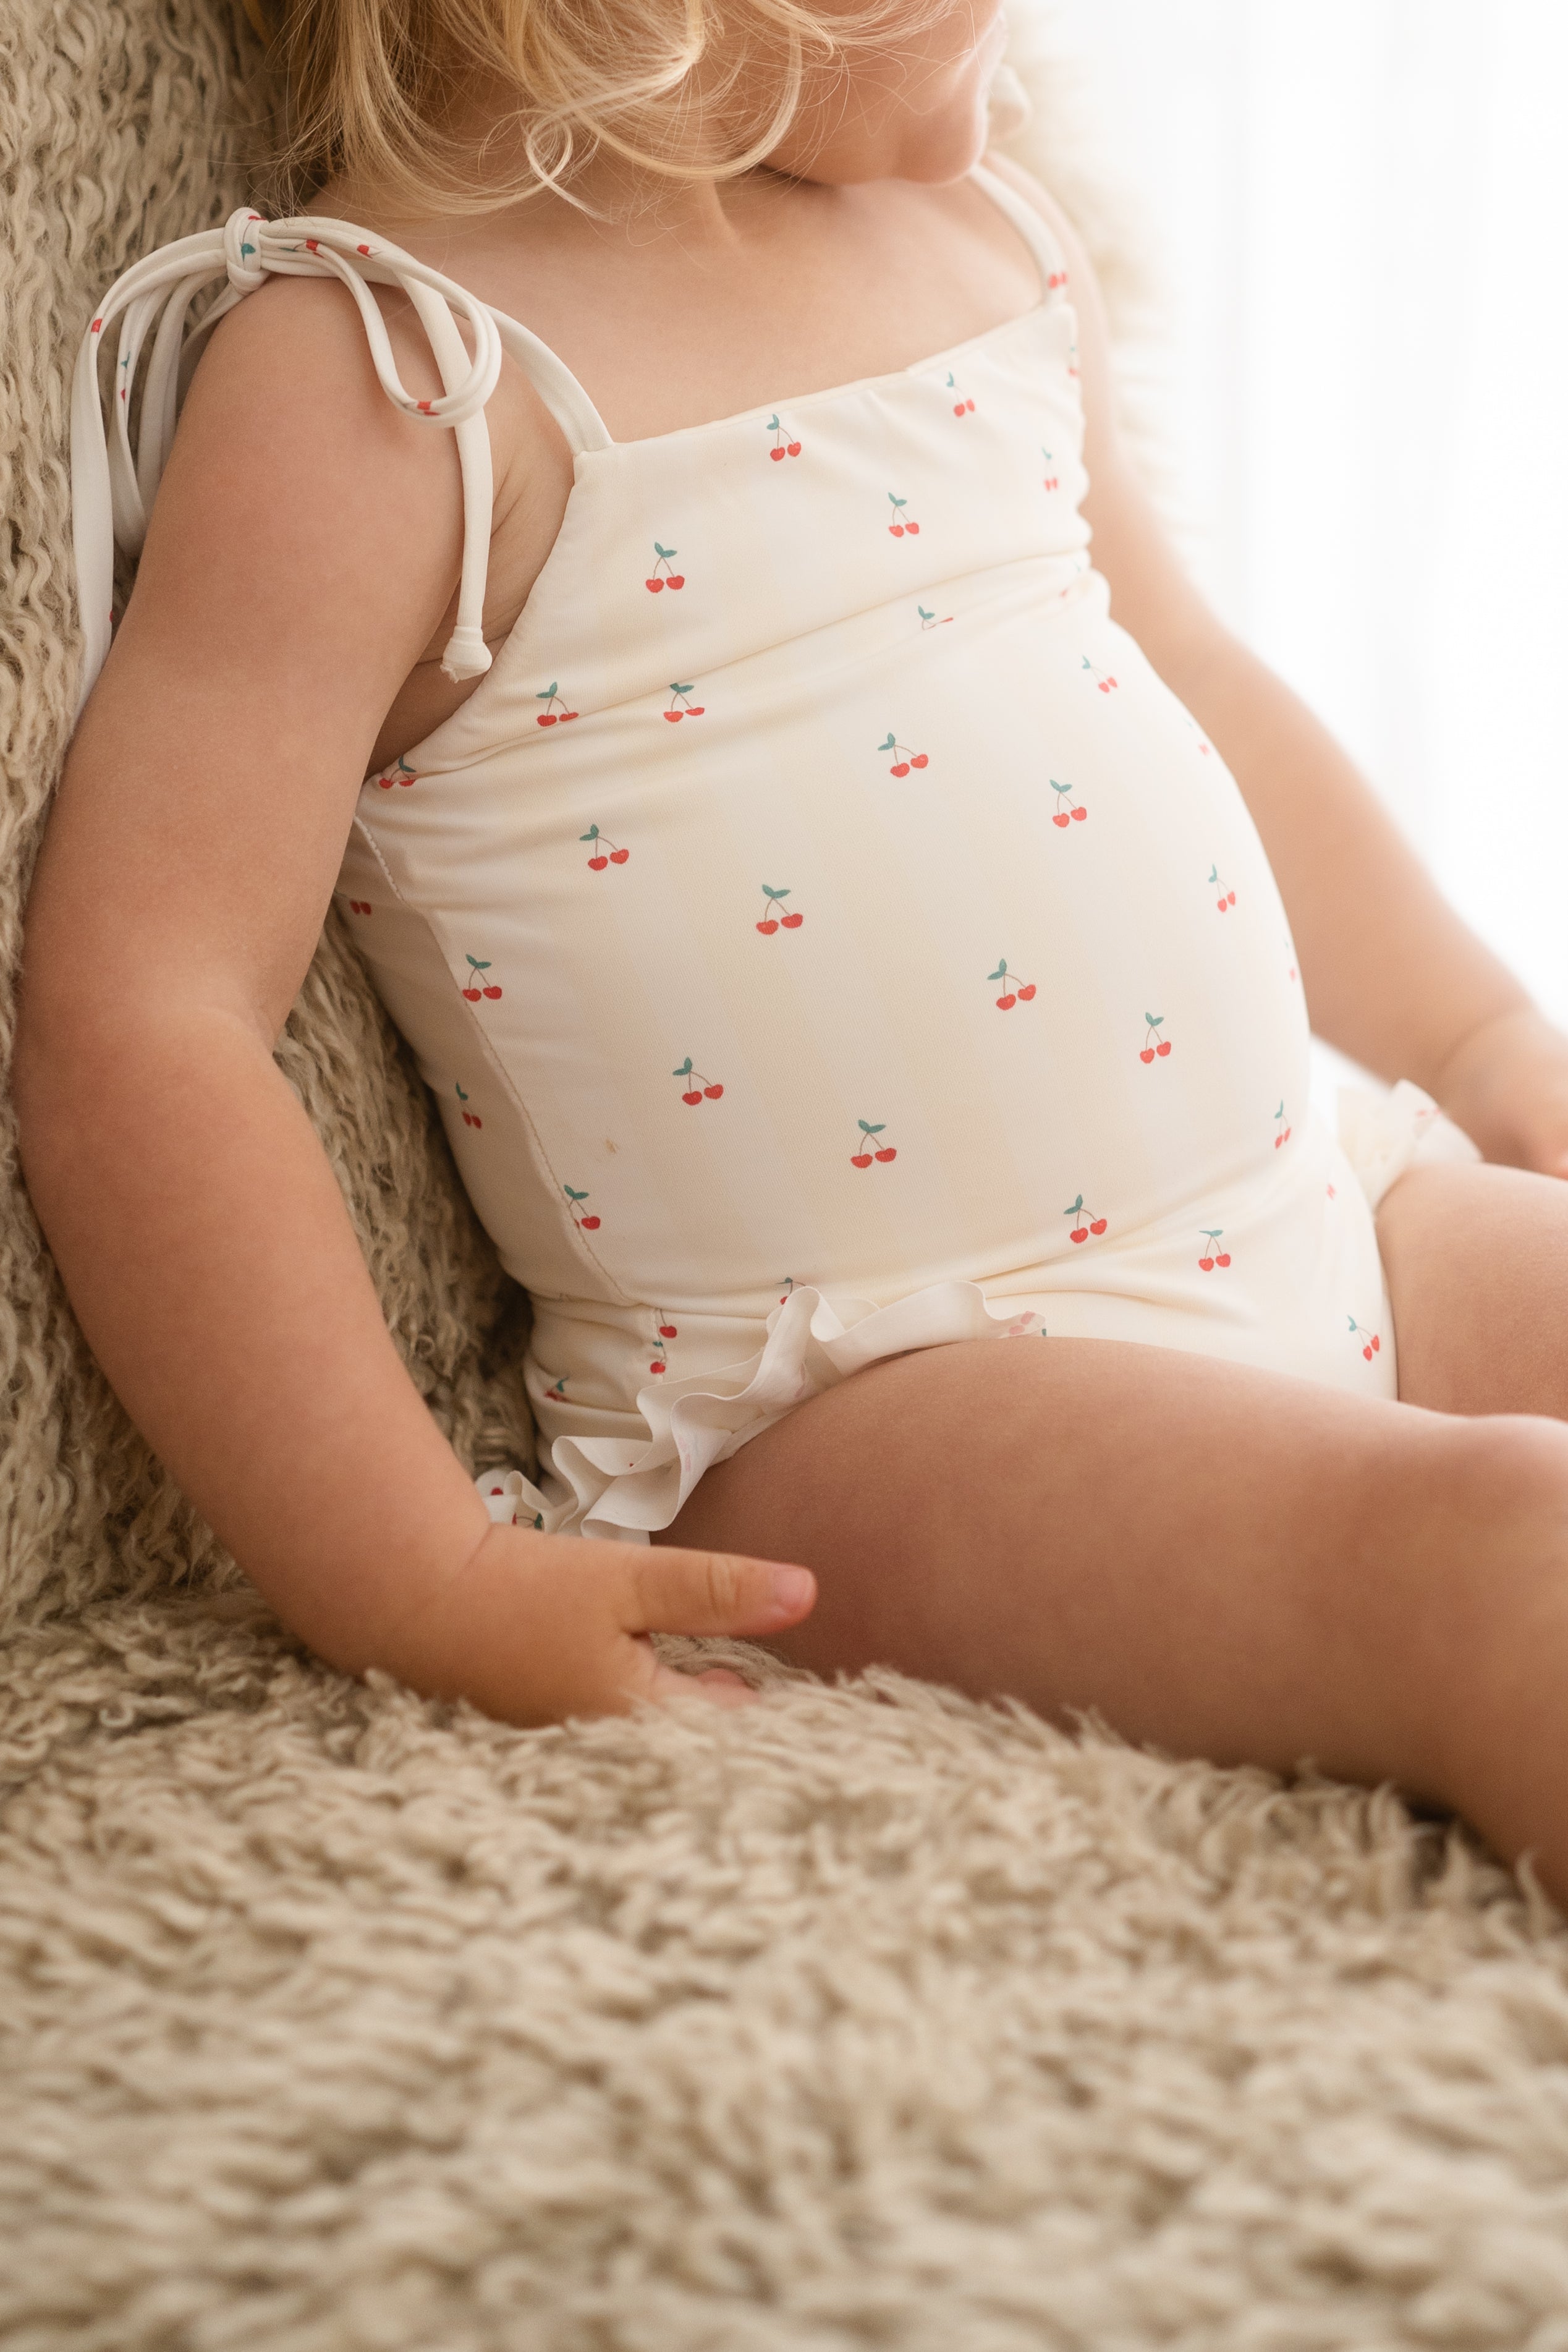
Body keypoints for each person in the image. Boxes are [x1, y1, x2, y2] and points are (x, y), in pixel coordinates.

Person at [20, 0, 1568, 1893]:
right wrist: (415, 1570)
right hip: (881, 1391)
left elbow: (1199, 681)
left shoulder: (984, 239)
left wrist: (1486, 1040)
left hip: (1317, 1208)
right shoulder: (389, 377)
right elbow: (147, 1017)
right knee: (1511, 1549)